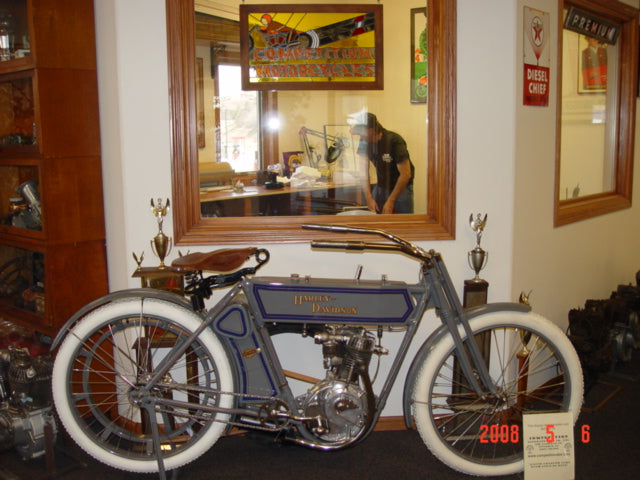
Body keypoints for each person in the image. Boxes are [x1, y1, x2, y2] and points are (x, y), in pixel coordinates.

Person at [351, 112, 414, 214]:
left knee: (404, 220)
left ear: (371, 131)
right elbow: (363, 171)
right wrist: (369, 198)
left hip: (402, 187)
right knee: (377, 215)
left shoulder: (394, 141)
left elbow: (406, 174)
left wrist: (391, 200)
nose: (360, 136)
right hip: (382, 185)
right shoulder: (364, 142)